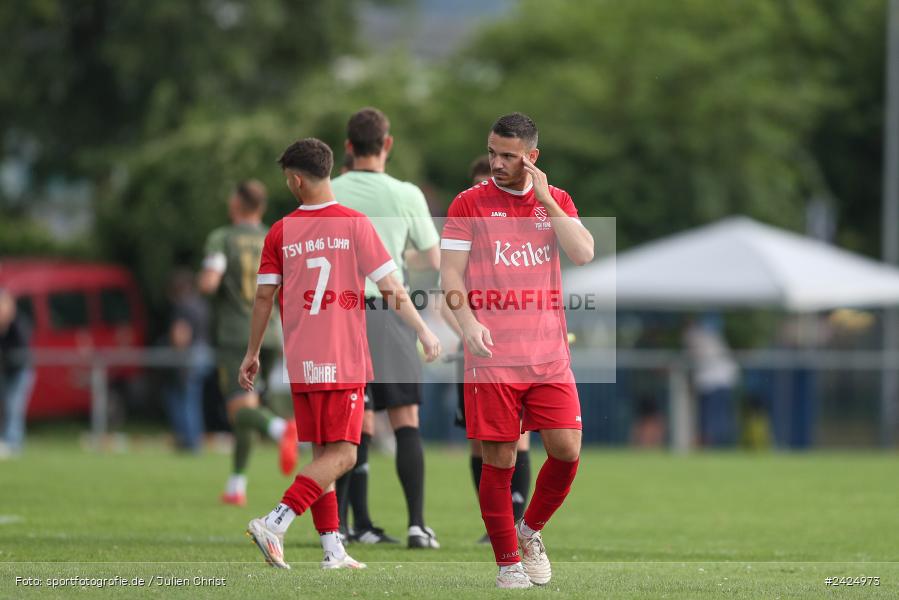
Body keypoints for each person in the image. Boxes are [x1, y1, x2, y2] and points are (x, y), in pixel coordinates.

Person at [241, 137, 440, 570]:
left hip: (302, 360)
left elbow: (262, 300)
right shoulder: (354, 223)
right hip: (342, 357)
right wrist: (424, 330)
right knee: (345, 454)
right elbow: (392, 289)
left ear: (295, 181)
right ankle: (276, 520)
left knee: (323, 457)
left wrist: (252, 352)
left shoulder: (280, 230)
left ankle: (333, 551)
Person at [441, 113, 594, 589]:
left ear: (532, 157)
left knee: (567, 452)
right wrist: (467, 324)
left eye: (508, 155)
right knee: (500, 460)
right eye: (492, 152)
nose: (497, 162)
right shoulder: (468, 204)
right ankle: (508, 563)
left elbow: (584, 252)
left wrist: (547, 198)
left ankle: (529, 532)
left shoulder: (558, 200)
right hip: (492, 358)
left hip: (548, 355)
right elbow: (448, 276)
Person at [331, 107, 442, 548]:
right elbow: (434, 260)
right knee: (405, 419)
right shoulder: (406, 194)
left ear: (348, 147)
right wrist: (401, 259)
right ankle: (417, 524)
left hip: (339, 313)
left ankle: (341, 525)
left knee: (351, 422)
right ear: (387, 144)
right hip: (388, 310)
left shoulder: (330, 190)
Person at [199, 179, 297, 506]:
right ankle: (236, 485)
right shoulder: (275, 236)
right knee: (247, 407)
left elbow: (210, 281)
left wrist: (202, 283)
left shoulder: (222, 237)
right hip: (270, 334)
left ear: (237, 203)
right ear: (262, 207)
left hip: (235, 335)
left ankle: (280, 428)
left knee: (238, 410)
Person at [452, 155, 532, 544]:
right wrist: (466, 330)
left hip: (518, 348)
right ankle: (495, 522)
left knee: (520, 436)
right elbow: (445, 290)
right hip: (474, 351)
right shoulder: (465, 226)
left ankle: (518, 519)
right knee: (479, 439)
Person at [165, 270, 213, 452]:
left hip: (189, 356)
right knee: (194, 399)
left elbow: (181, 335)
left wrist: (176, 356)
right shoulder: (201, 304)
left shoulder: (182, 306)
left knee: (183, 398)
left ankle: (190, 441)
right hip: (204, 354)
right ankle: (194, 439)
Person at [683, 314, 739, 447]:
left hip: (714, 383)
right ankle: (713, 445)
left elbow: (693, 356)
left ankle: (715, 445)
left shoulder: (697, 335)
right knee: (714, 418)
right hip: (716, 382)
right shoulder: (708, 334)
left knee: (714, 419)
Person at [0, 288, 34, 459]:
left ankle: (13, 443)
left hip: (19, 372)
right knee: (4, 407)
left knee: (14, 407)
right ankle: (4, 441)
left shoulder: (19, 323)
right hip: (3, 372)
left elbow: (20, 348)